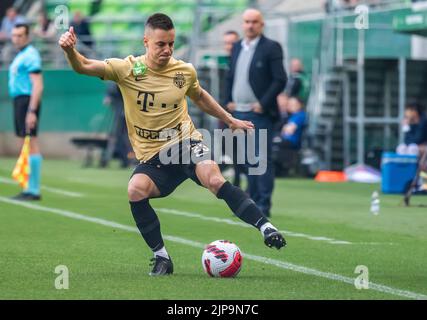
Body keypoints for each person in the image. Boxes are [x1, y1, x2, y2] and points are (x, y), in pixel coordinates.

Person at [59, 13, 286, 276]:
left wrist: (229, 119)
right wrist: (70, 51)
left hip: (185, 143)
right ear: (146, 42)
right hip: (154, 157)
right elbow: (83, 66)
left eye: (171, 44)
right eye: (161, 44)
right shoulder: (127, 69)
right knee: (135, 189)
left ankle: (265, 226)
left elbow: (199, 96)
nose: (167, 50)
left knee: (214, 179)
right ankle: (161, 257)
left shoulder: (184, 71)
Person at [225, 9, 287, 217]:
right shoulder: (236, 47)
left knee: (261, 160)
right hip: (238, 113)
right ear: (243, 24)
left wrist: (263, 103)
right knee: (244, 159)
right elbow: (230, 76)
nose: (250, 25)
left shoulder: (271, 47)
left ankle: (263, 205)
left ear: (261, 25)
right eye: (247, 22)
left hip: (258, 114)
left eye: (254, 22)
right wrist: (227, 102)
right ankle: (251, 203)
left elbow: (280, 79)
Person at [8, 24, 44, 200]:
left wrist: (32, 110)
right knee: (26, 144)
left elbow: (38, 84)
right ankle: (29, 187)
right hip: (20, 101)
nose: (17, 38)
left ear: (28, 36)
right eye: (14, 35)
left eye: (20, 35)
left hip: (27, 101)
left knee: (31, 143)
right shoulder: (21, 55)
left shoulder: (30, 55)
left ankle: (34, 190)